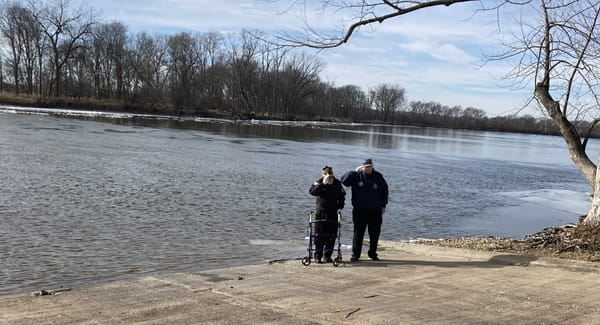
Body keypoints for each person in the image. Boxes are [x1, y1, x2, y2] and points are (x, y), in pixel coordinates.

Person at [341, 158, 388, 262]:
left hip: (375, 210)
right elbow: (344, 181)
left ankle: (372, 254)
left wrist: (384, 205)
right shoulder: (356, 176)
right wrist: (353, 171)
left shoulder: (378, 176)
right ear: (362, 167)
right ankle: (355, 255)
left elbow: (385, 191)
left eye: (369, 167)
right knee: (358, 233)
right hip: (359, 210)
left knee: (374, 233)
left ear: (372, 166)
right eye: (366, 167)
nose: (368, 169)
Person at [309, 166, 346, 263]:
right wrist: (323, 184)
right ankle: (318, 256)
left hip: (333, 213)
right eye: (328, 176)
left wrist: (340, 205)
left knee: (331, 236)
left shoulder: (337, 183)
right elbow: (312, 192)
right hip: (320, 213)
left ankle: (327, 255)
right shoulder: (319, 181)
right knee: (319, 236)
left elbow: (342, 195)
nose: (330, 178)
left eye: (331, 176)